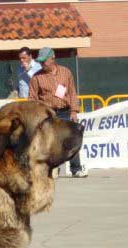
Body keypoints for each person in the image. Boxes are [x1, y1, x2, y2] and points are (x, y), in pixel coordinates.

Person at [28, 47, 88, 178]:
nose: (42, 63)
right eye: (40, 61)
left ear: (52, 58)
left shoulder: (66, 73)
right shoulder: (36, 78)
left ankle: (76, 169)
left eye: (44, 60)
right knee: (50, 142)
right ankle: (53, 169)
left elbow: (72, 92)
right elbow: (32, 99)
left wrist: (74, 111)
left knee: (71, 140)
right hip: (48, 115)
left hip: (65, 111)